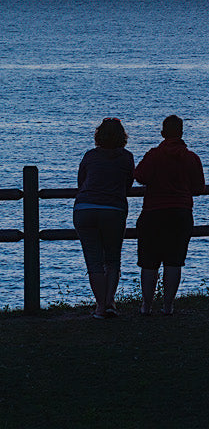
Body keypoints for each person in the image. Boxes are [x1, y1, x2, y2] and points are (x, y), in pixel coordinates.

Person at [133, 114, 206, 315]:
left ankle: (146, 306)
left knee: (149, 263)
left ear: (163, 133)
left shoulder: (154, 155)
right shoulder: (191, 157)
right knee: (174, 261)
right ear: (181, 132)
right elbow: (199, 187)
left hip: (153, 213)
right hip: (181, 213)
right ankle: (168, 306)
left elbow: (139, 176)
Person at [75, 117, 135, 318]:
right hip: (113, 210)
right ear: (122, 137)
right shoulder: (127, 158)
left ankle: (100, 306)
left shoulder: (90, 156)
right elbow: (128, 185)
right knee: (112, 258)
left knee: (93, 261)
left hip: (85, 208)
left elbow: (81, 181)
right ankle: (109, 302)